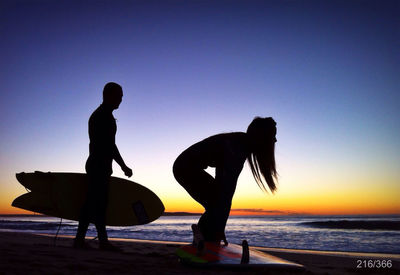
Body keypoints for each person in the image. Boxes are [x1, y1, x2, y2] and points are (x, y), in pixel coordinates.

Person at [173, 117, 277, 246]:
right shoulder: (237, 147)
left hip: (185, 166)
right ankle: (206, 239)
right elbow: (227, 188)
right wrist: (220, 227)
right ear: (262, 136)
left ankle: (203, 238)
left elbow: (225, 188)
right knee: (218, 202)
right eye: (273, 136)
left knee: (216, 203)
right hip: (185, 167)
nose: (275, 140)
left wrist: (220, 226)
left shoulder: (240, 143)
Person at [74, 82, 133, 250]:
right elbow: (109, 146)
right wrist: (124, 166)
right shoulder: (102, 116)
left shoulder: (103, 114)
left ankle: (99, 241)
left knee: (98, 204)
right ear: (108, 95)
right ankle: (88, 241)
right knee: (93, 203)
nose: (121, 99)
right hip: (98, 165)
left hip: (99, 165)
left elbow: (109, 145)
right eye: (119, 95)